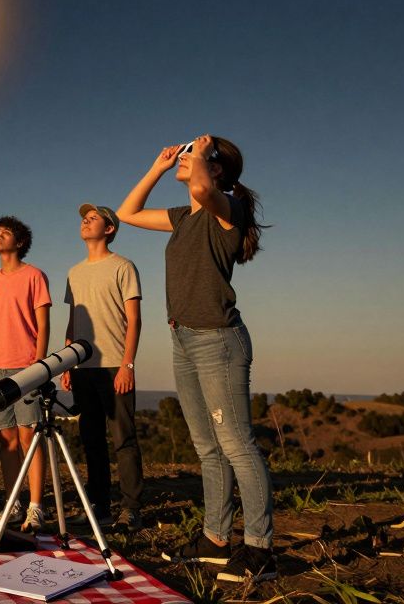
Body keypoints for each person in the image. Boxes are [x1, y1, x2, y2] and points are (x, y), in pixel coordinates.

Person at [117, 134, 275, 583]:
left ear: (217, 167)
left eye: (194, 155)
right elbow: (127, 213)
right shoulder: (182, 217)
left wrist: (204, 150)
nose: (185, 158)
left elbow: (205, 190)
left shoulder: (226, 208)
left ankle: (261, 550)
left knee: (238, 446)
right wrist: (158, 167)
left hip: (218, 343)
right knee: (208, 448)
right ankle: (215, 539)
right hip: (183, 340)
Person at [59, 204, 144, 530]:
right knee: (91, 438)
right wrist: (67, 363)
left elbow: (134, 319)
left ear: (109, 228)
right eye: (84, 217)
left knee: (123, 438)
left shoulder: (123, 267)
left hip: (114, 366)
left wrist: (128, 364)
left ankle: (131, 509)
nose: (85, 221)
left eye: (93, 218)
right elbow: (72, 321)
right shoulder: (74, 272)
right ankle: (99, 507)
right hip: (82, 367)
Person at [0, 217, 52, 531]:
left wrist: (40, 364)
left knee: (29, 437)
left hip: (26, 367)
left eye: (5, 232)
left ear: (19, 242)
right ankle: (13, 504)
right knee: (6, 439)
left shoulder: (35, 276)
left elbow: (43, 324)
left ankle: (36, 506)